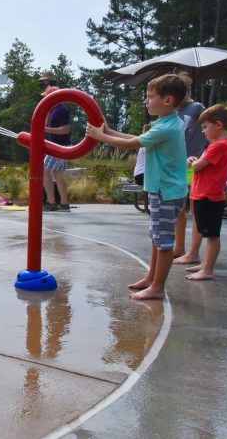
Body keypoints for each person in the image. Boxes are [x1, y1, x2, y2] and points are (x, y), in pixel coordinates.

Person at [87, 73, 189, 301]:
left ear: (167, 100)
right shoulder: (167, 122)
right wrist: (108, 130)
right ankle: (152, 278)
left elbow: (130, 144)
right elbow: (136, 138)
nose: (146, 100)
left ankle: (158, 287)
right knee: (156, 237)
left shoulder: (167, 128)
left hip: (166, 192)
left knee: (163, 243)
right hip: (163, 190)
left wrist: (100, 136)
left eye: (150, 96)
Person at [182, 104, 227, 281]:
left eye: (205, 127)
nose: (203, 131)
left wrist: (191, 161)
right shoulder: (215, 145)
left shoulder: (219, 145)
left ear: (218, 125)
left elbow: (198, 166)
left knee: (211, 235)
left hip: (210, 196)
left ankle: (207, 269)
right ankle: (204, 265)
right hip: (203, 194)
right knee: (205, 230)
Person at [173, 89, 208, 263]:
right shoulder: (172, 112)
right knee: (179, 208)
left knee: (195, 209)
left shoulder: (196, 107)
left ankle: (194, 252)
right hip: (178, 164)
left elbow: (209, 125)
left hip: (195, 162)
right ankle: (179, 248)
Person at [41, 84, 72, 212]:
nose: (45, 100)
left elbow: (65, 130)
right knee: (57, 173)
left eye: (47, 97)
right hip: (58, 145)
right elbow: (46, 123)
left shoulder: (61, 110)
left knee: (43, 170)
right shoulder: (54, 110)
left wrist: (46, 129)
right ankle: (64, 204)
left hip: (60, 146)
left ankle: (51, 201)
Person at [133, 124, 151, 213]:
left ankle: (149, 205)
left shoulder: (142, 142)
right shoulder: (148, 142)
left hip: (138, 175)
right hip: (143, 175)